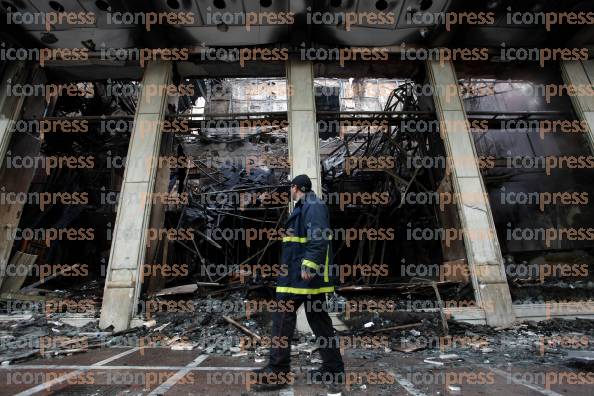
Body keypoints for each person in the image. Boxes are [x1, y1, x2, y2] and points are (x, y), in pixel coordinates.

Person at [252, 174, 344, 391]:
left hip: (300, 278)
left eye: (290, 188)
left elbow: (319, 237)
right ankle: (333, 370)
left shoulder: (312, 204)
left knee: (282, 318)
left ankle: (277, 372)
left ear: (295, 188)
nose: (289, 192)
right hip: (302, 278)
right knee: (319, 321)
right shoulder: (306, 206)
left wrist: (310, 264)